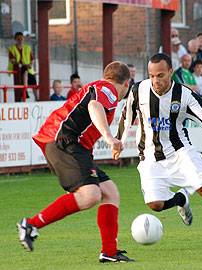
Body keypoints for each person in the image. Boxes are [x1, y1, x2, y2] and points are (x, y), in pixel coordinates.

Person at [113, 53, 202, 248]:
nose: (155, 80)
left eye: (160, 75)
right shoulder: (138, 90)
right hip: (150, 158)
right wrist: (119, 141)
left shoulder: (184, 95)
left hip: (180, 153)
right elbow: (127, 115)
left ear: (170, 72)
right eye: (151, 75)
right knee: (155, 205)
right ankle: (181, 199)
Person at [16, 61, 135, 263]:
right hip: (63, 141)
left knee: (110, 192)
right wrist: (108, 137)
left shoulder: (100, 87)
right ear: (125, 83)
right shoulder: (108, 90)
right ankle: (30, 224)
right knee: (90, 195)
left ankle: (109, 251)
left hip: (72, 145)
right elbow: (94, 105)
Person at [7, 32, 36, 102]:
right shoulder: (12, 48)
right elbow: (12, 60)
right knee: (23, 80)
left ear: (24, 39)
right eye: (18, 39)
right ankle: (24, 94)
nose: (20, 40)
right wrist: (23, 64)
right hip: (18, 70)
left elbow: (32, 59)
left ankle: (36, 97)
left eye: (21, 38)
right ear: (15, 39)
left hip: (28, 69)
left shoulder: (27, 48)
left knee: (34, 83)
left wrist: (29, 64)